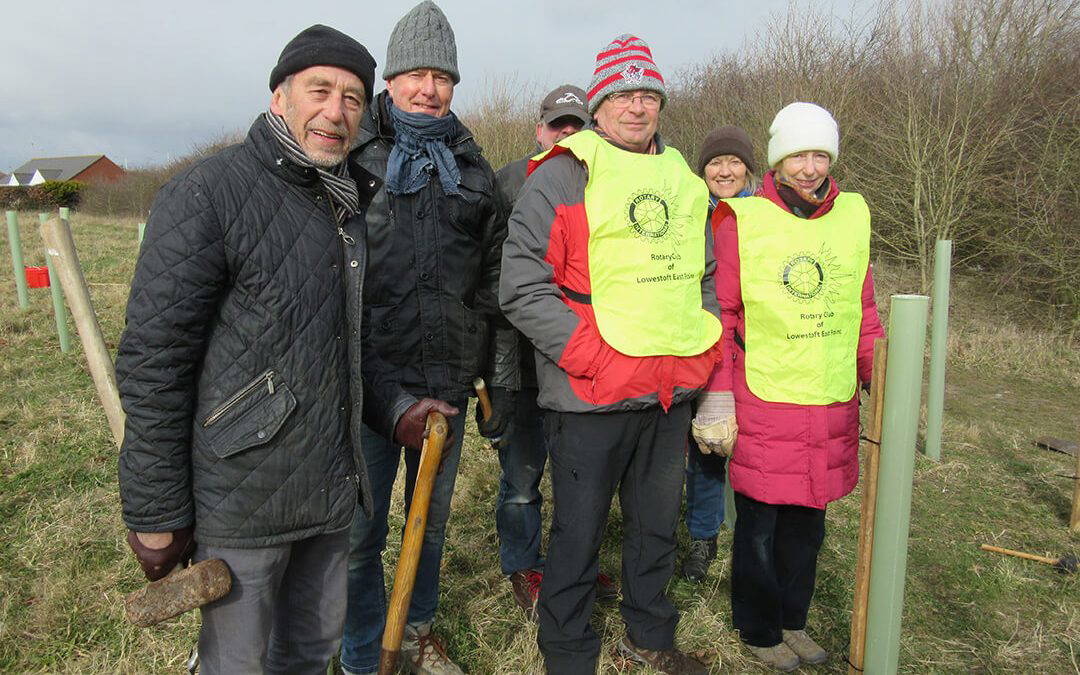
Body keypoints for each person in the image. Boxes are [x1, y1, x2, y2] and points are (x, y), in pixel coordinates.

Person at [115, 25, 449, 674]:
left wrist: (396, 408)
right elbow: (154, 362)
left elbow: (344, 342)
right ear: (280, 98)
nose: (336, 111)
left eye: (353, 98)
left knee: (307, 655)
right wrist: (155, 511)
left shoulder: (345, 204)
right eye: (319, 90)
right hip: (242, 498)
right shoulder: (209, 193)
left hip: (327, 490)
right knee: (238, 663)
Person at [500, 34, 721, 675]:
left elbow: (704, 275)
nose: (636, 107)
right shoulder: (562, 176)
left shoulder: (681, 181)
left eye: (648, 95)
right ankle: (568, 653)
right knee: (579, 533)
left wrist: (699, 354)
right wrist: (594, 358)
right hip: (588, 394)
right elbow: (521, 285)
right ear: (598, 106)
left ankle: (650, 638)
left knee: (656, 529)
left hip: (667, 393)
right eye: (622, 94)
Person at [339, 3, 503, 674]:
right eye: (415, 73)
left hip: (447, 383)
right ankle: (359, 649)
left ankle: (416, 633)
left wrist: (481, 368)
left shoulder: (471, 167)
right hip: (371, 386)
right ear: (392, 78)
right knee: (360, 532)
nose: (429, 88)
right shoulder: (353, 160)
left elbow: (492, 277)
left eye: (442, 76)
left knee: (428, 524)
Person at [697, 102, 885, 671]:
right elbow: (722, 316)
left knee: (809, 523)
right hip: (766, 400)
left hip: (830, 403)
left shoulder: (851, 217)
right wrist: (719, 394)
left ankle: (792, 620)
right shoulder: (741, 220)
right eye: (797, 155)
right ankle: (758, 628)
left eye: (819, 154)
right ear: (776, 163)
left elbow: (863, 310)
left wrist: (880, 377)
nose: (810, 167)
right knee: (760, 525)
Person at [479, 84, 617, 619]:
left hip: (583, 361)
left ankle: (571, 563)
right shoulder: (510, 181)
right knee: (521, 478)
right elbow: (492, 276)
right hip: (520, 363)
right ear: (539, 129)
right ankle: (523, 565)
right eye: (558, 125)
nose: (567, 134)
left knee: (580, 476)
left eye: (577, 125)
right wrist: (492, 373)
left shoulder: (604, 181)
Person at [680, 125, 759, 583]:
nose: (724, 171)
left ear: (748, 168)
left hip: (751, 347)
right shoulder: (692, 213)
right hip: (699, 341)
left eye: (733, 162)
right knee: (705, 445)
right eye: (715, 163)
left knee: (750, 448)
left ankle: (751, 534)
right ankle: (703, 537)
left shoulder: (764, 217)